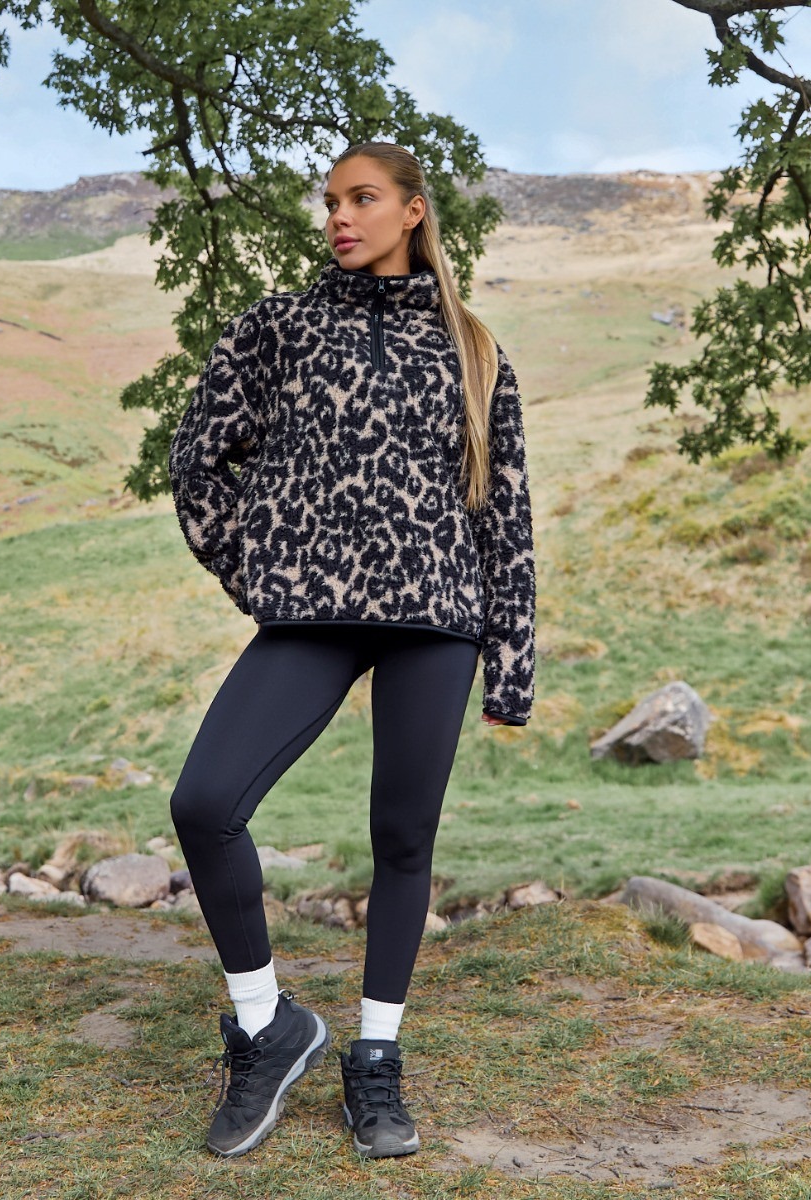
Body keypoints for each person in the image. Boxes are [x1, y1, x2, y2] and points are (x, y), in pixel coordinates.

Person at [166, 141, 535, 1161]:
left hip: (437, 616)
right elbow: (196, 457)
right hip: (313, 615)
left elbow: (504, 513)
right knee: (204, 802)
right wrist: (261, 570)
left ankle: (376, 1060)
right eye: (330, 200)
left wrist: (512, 660)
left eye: (362, 198)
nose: (339, 215)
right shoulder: (277, 327)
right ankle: (267, 1027)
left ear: (412, 211)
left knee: (403, 839)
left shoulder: (475, 348)